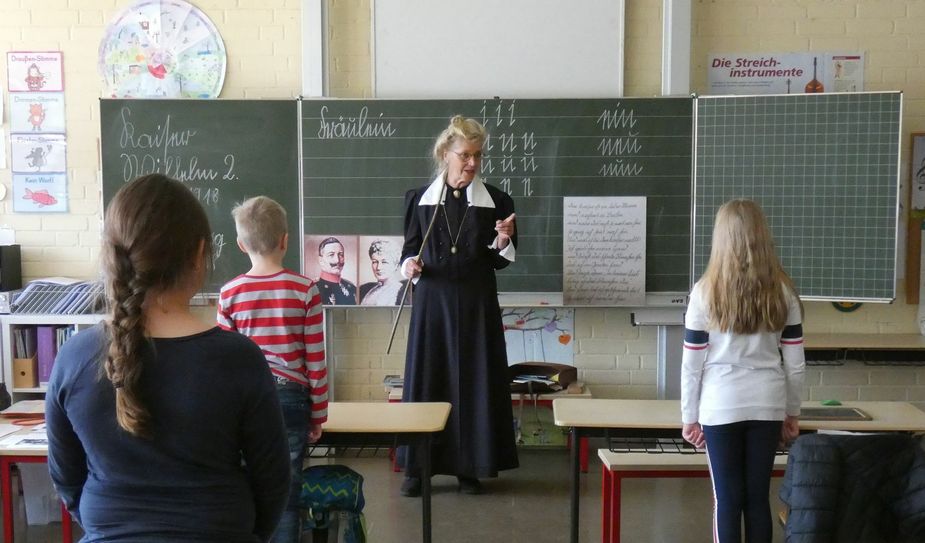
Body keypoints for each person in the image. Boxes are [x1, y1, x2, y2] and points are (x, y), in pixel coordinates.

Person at [46, 174, 290, 542]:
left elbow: (67, 480)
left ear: (113, 257)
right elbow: (272, 482)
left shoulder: (74, 358)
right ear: (198, 255)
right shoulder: (239, 359)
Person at [399, 115, 519, 497]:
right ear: (445, 155)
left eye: (477, 155)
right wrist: (409, 266)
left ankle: (469, 467)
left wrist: (502, 241)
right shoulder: (419, 200)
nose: (472, 163)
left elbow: (500, 260)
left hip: (476, 305)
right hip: (432, 307)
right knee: (428, 380)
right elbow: (408, 249)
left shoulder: (498, 202)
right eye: (465, 155)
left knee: (473, 383)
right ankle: (418, 469)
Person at [680, 199, 805, 543]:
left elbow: (692, 365)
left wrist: (689, 417)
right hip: (768, 404)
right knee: (756, 500)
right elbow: (795, 365)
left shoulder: (704, 292)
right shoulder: (783, 292)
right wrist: (792, 413)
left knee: (727, 500)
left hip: (720, 405)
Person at [218, 196, 329, 543]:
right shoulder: (305, 290)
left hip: (246, 403)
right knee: (286, 492)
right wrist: (318, 415)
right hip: (291, 401)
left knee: (248, 486)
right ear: (285, 240)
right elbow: (316, 359)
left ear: (240, 244)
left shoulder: (229, 293)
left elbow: (225, 364)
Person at [359, 238, 408, 306]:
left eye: (384, 262)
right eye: (375, 262)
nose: (379, 267)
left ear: (395, 265)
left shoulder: (400, 292)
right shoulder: (369, 289)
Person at [315, 236, 358, 304]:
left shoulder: (351, 287)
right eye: (331, 255)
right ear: (321, 260)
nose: (337, 260)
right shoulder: (314, 289)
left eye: (341, 255)